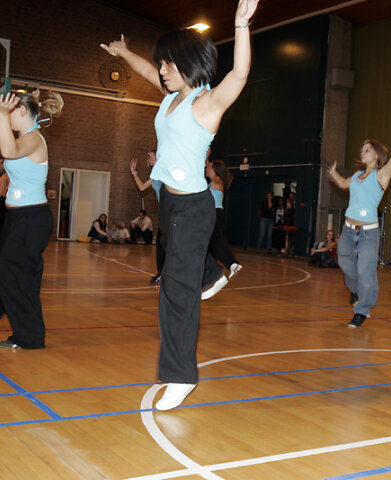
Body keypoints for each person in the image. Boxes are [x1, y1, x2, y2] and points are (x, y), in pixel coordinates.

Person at [101, 0, 259, 410]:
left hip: (194, 209)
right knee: (175, 261)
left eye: (167, 63)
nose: (161, 70)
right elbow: (145, 72)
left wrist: (241, 25)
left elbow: (239, 74)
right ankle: (210, 273)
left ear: (188, 62)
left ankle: (180, 375)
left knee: (174, 291)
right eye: (161, 64)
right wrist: (125, 53)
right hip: (170, 203)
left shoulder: (206, 103)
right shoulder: (170, 97)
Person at [328, 115, 391, 327]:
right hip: (348, 230)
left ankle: (362, 310)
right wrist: (334, 174)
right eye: (362, 150)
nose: (362, 152)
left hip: (368, 233)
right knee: (345, 263)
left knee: (365, 271)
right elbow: (343, 184)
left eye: (367, 150)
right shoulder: (357, 175)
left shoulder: (382, 175)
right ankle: (356, 291)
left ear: (376, 155)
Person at [0, 89, 63, 349]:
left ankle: (29, 336)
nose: (7, 116)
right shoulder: (27, 137)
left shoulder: (34, 139)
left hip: (31, 219)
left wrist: (2, 114)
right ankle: (30, 334)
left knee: (11, 273)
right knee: (16, 275)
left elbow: (8, 150)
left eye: (11, 111)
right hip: (16, 218)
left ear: (22, 111)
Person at [205, 157, 243, 279]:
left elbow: (209, 169)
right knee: (209, 245)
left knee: (217, 242)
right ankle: (215, 272)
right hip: (212, 215)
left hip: (215, 214)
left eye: (210, 168)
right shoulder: (213, 183)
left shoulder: (217, 182)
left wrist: (206, 158)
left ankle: (233, 264)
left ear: (217, 174)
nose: (207, 169)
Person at [130, 151, 164, 283]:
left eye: (151, 157)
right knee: (161, 244)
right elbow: (142, 187)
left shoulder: (165, 172)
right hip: (164, 212)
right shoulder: (156, 175)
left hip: (172, 211)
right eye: (149, 157)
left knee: (165, 243)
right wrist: (134, 172)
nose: (149, 160)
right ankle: (162, 273)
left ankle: (165, 273)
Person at [0, 157, 9, 231]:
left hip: (2, 200)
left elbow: (0, 192)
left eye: (1, 163)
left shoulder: (4, 176)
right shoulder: (4, 175)